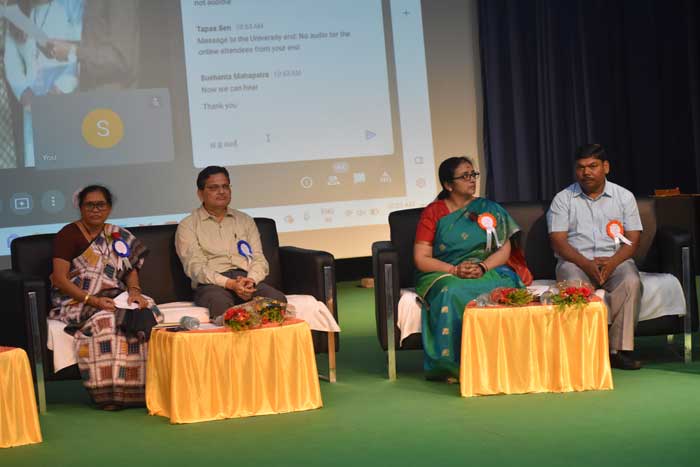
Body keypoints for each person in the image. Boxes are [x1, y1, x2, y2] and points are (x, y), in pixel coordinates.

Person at [414, 156, 532, 381]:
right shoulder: (433, 212)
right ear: (448, 185)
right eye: (465, 176)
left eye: (473, 175)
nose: (472, 180)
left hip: (488, 269)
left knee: (507, 288)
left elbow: (504, 249)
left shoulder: (489, 209)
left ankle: (509, 361)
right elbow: (421, 258)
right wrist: (454, 270)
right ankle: (454, 366)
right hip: (446, 272)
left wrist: (483, 266)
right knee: (452, 291)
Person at [49, 185, 162, 409]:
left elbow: (130, 270)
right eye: (89, 205)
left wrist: (134, 292)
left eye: (101, 205)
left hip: (114, 295)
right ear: (80, 207)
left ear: (109, 208)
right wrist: (92, 300)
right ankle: (110, 395)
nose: (95, 209)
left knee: (148, 312)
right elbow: (60, 279)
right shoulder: (68, 234)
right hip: (78, 301)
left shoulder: (117, 234)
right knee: (107, 323)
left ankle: (143, 392)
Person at [547, 144, 643, 370]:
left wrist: (613, 262)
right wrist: (586, 264)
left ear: (605, 167)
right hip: (575, 261)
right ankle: (580, 352)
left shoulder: (624, 197)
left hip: (615, 260)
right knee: (572, 282)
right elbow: (558, 240)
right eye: (581, 167)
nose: (586, 172)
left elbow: (633, 238)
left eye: (592, 166)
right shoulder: (563, 199)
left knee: (631, 281)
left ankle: (619, 351)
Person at [175, 166, 286, 321]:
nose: (221, 191)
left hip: (247, 280)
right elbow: (195, 267)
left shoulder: (245, 220)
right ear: (200, 193)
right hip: (213, 284)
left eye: (225, 186)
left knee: (276, 300)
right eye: (214, 187)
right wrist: (230, 284)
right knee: (221, 304)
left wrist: (251, 280)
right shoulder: (188, 225)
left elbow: (258, 258)